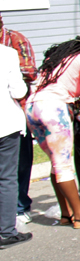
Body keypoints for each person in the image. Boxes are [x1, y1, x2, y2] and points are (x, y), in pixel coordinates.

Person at [25, 33, 80, 230]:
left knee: (56, 163)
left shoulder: (58, 59)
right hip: (54, 110)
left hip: (32, 108)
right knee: (63, 165)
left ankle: (65, 213)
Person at [0, 13, 37, 227]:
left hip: (15, 113)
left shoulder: (15, 41)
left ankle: (20, 207)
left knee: (19, 164)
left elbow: (29, 73)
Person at [0, 41, 31, 249]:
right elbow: (18, 91)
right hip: (5, 123)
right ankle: (7, 232)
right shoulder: (7, 53)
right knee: (7, 178)